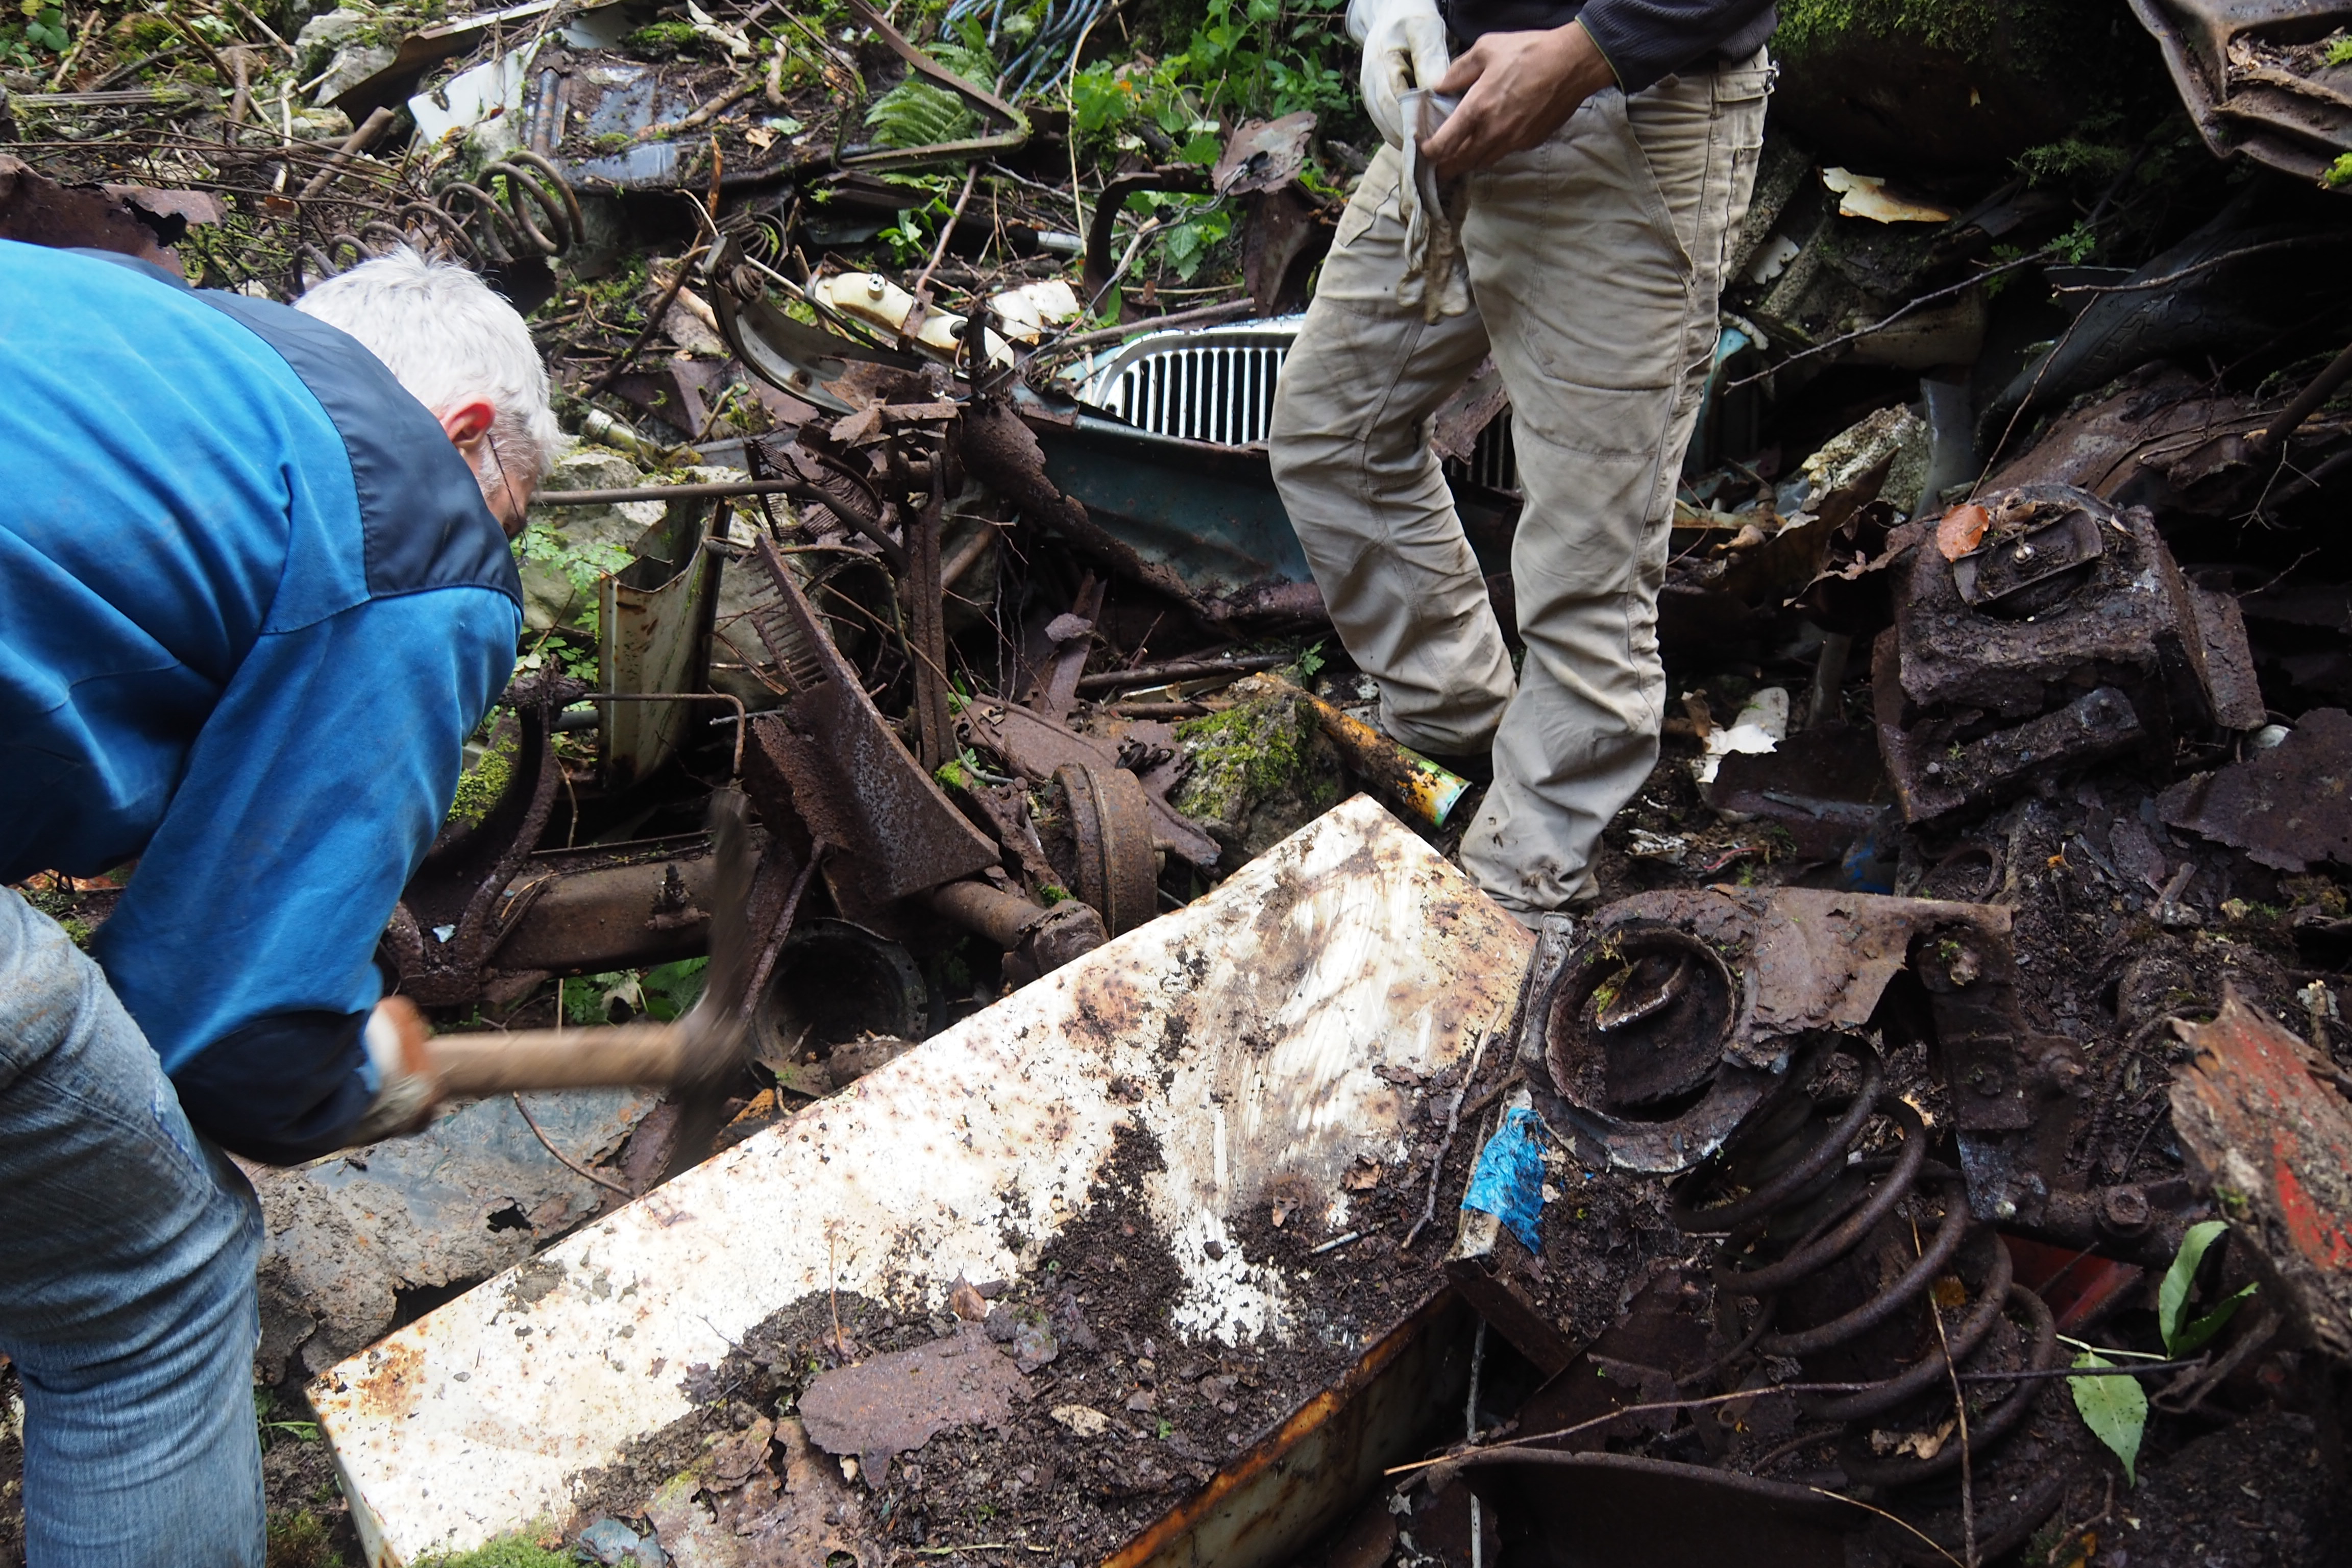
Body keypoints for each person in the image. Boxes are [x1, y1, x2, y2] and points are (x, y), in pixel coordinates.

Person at [0, 241, 554, 1567]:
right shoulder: (408, 514)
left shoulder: (121, 325)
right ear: (465, 433)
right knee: (150, 1283)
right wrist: (368, 1073)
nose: (493, 545)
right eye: (511, 517)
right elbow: (222, 1038)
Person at [1268, 0, 1777, 917]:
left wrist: (1588, 50)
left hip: (1630, 110)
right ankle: (1453, 718)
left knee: (1590, 563)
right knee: (1331, 436)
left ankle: (1522, 886)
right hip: (1454, 108)